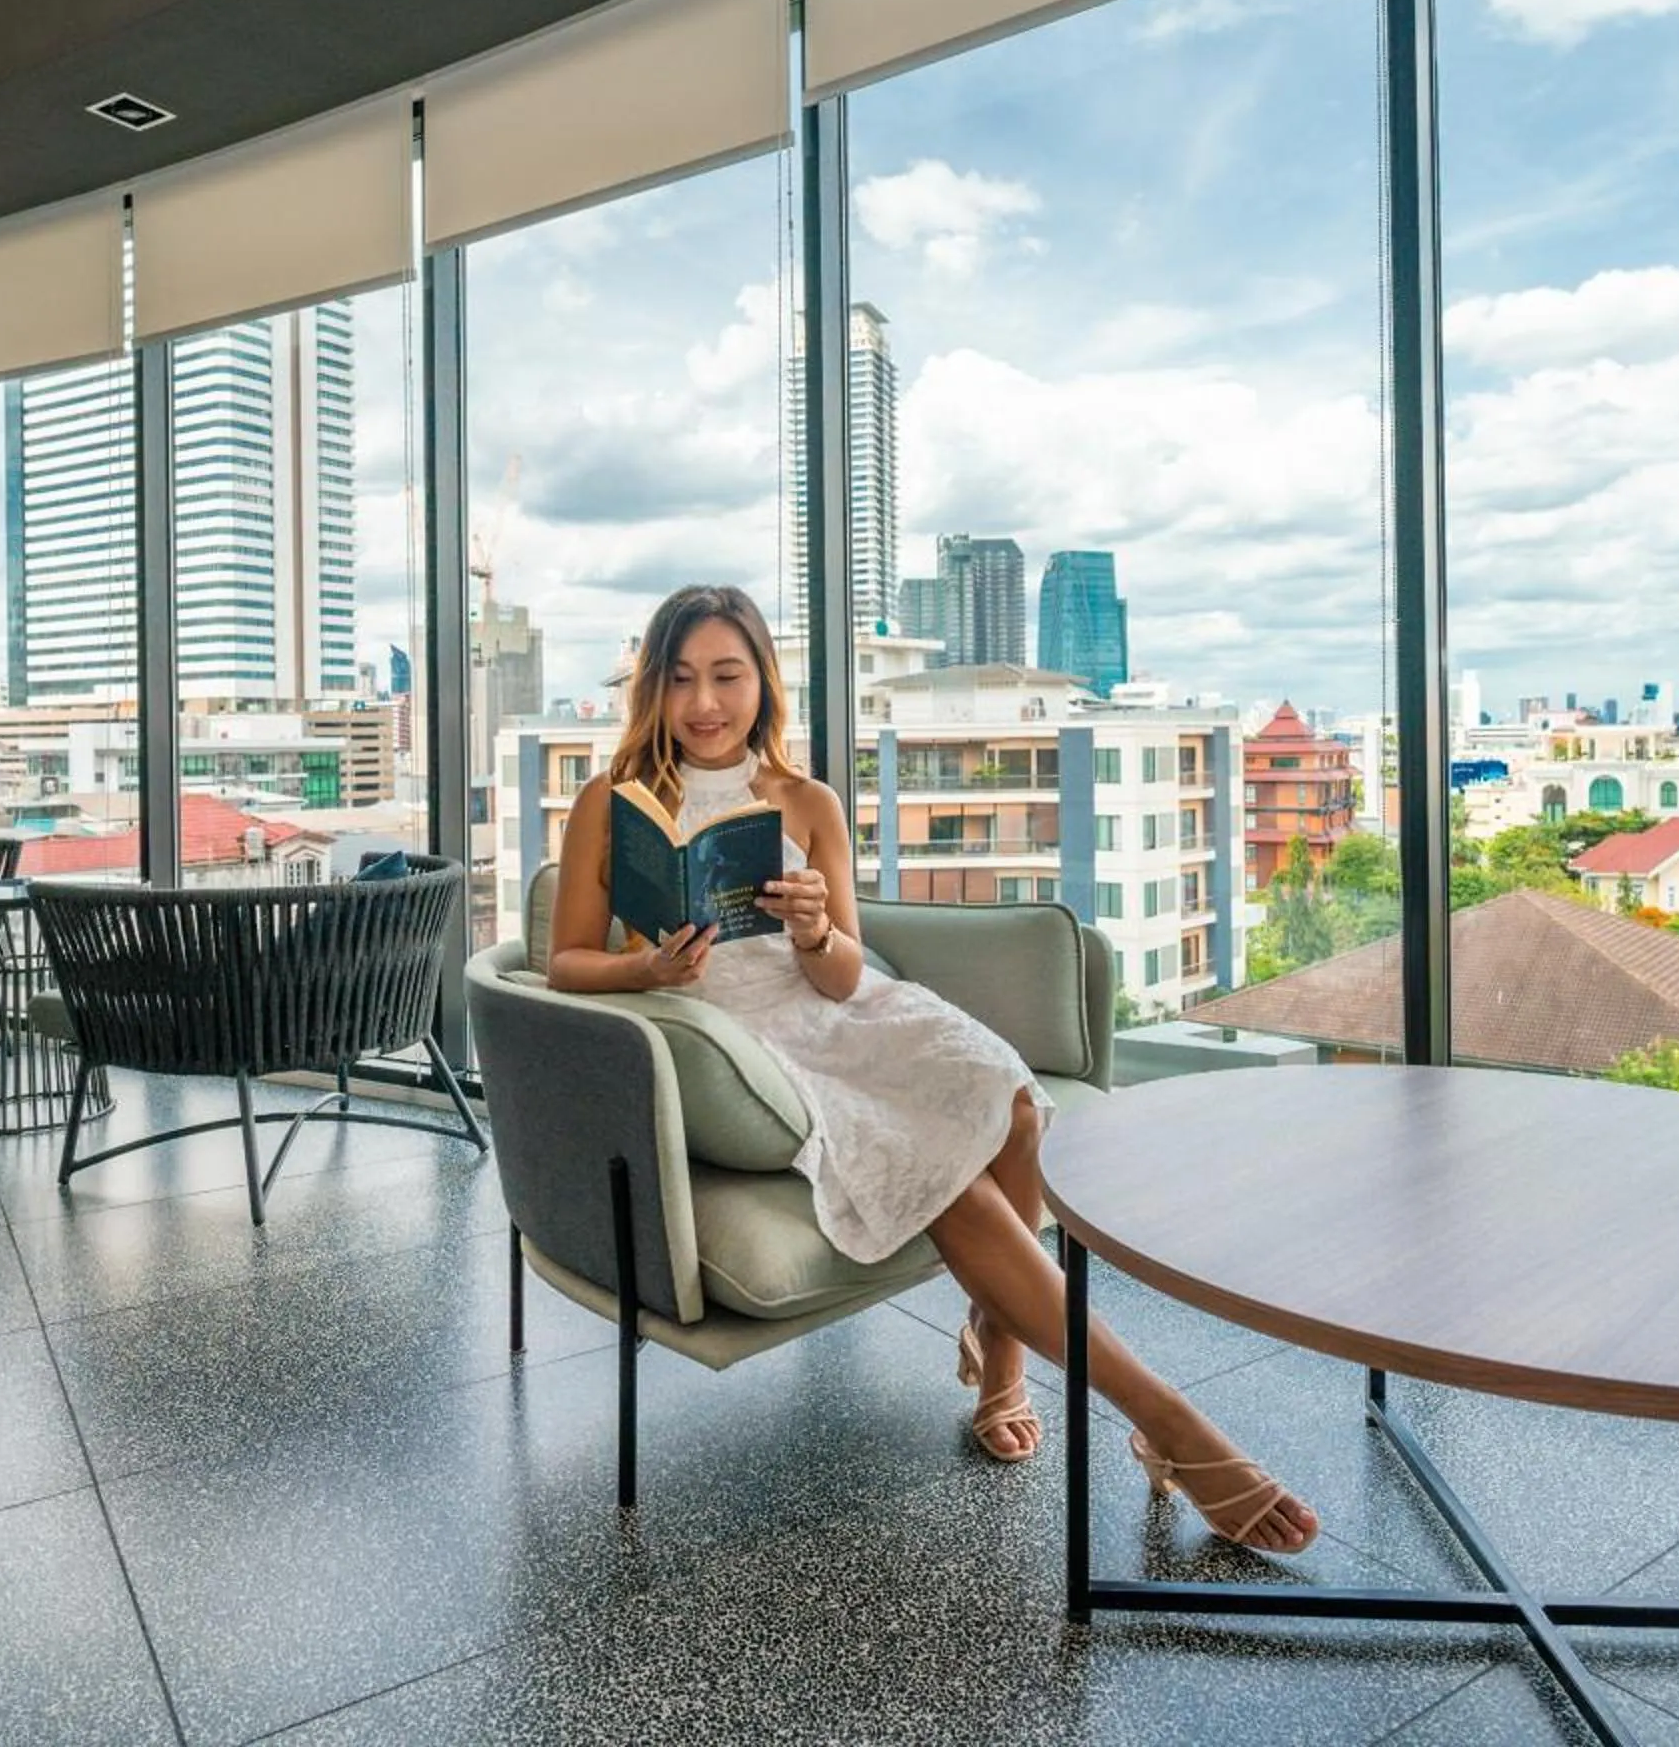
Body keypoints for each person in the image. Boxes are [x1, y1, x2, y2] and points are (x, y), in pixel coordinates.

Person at [547, 583, 1318, 1555]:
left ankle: (998, 1337)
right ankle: (1166, 1419)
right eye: (681, 678)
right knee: (940, 1172)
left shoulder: (806, 802)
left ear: (763, 684)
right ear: (653, 688)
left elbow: (838, 975)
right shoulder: (611, 805)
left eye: (727, 676)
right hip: (731, 1036)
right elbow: (565, 961)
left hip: (841, 1009)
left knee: (1009, 1097)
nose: (704, 702)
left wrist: (815, 928)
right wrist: (647, 970)